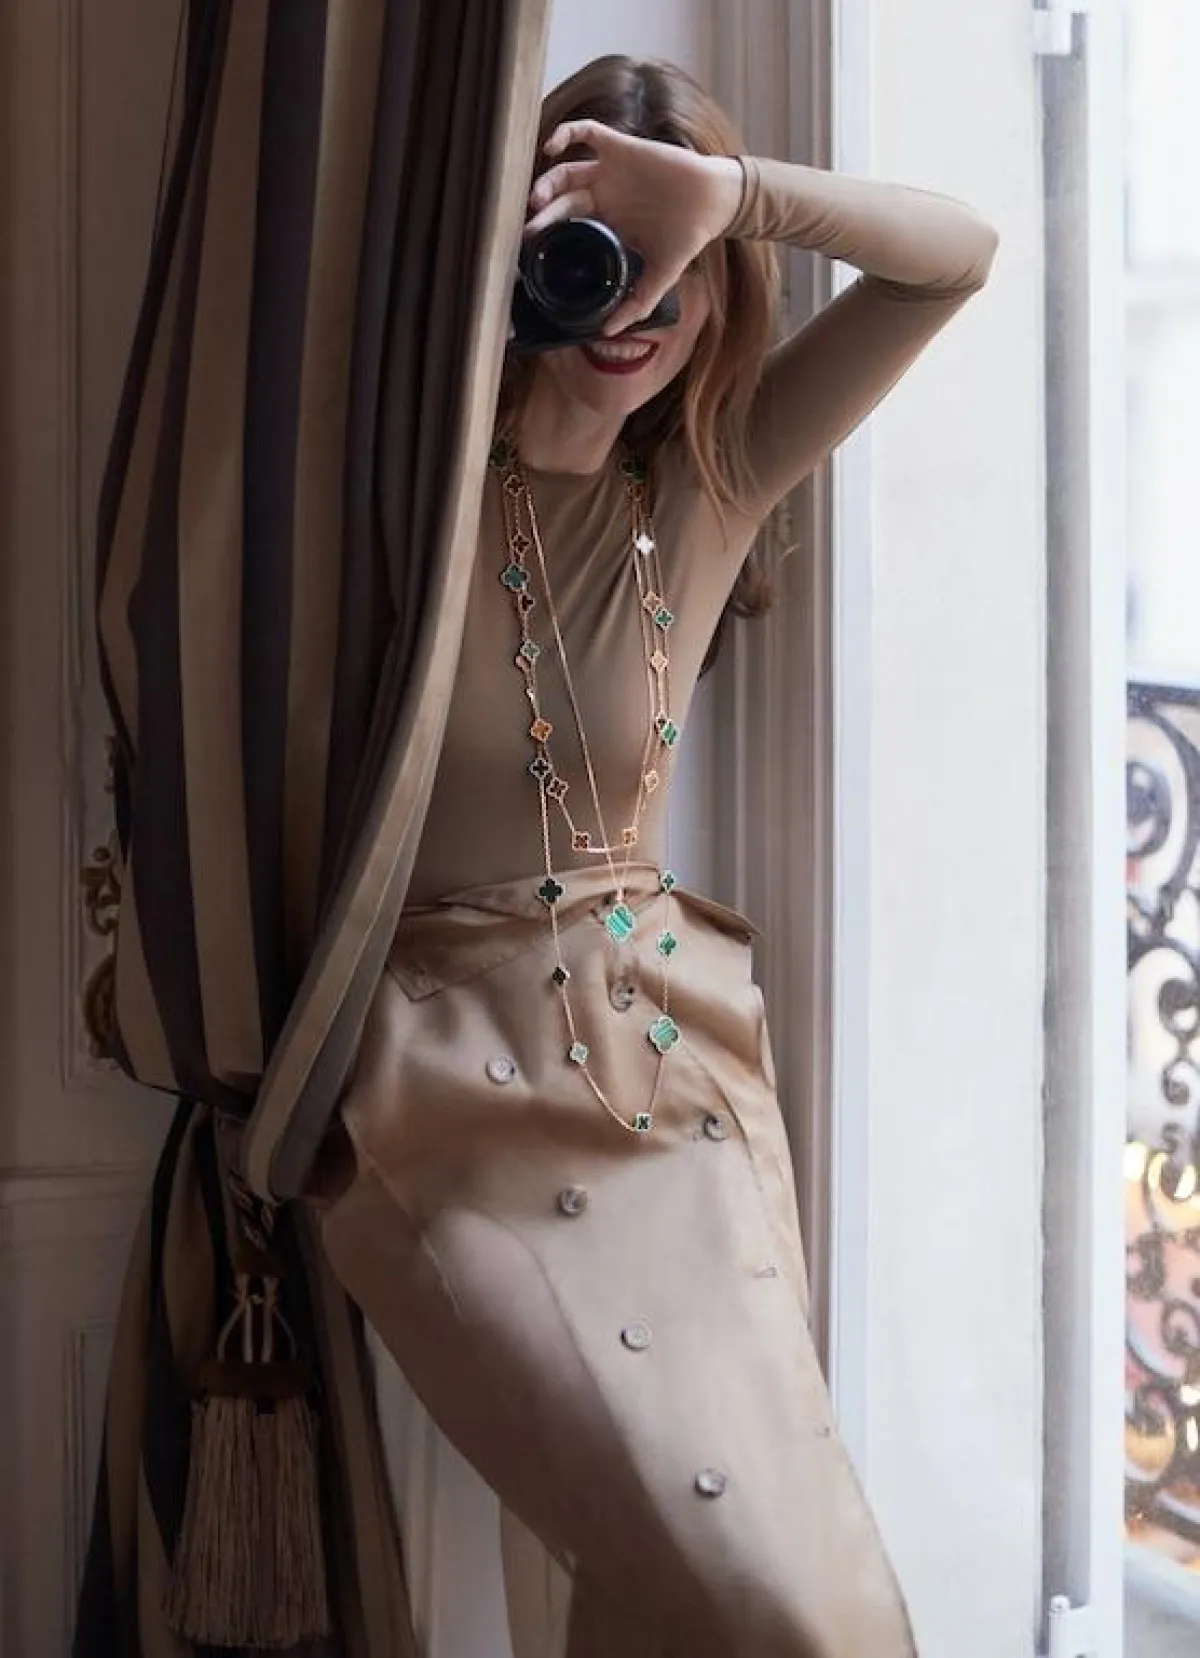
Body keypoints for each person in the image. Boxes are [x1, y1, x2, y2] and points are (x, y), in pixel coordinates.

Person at [310, 52, 997, 1658]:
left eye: (669, 263)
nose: (634, 305)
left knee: (770, 1597)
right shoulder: (400, 490)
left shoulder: (715, 469)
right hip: (432, 1090)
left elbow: (955, 255)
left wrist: (729, 197)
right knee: (702, 1572)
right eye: (595, 254)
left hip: (668, 1079)